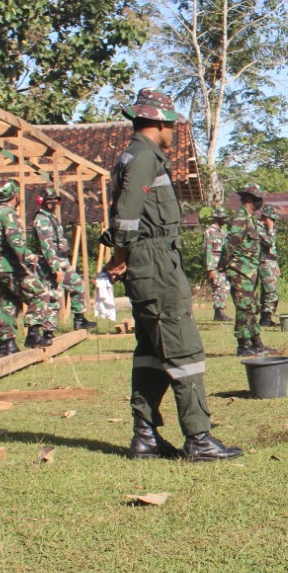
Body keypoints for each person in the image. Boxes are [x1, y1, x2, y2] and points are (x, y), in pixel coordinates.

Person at [103, 88, 241, 461]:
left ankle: (145, 438)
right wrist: (121, 257)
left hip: (149, 262)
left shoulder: (131, 155)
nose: (175, 130)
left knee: (151, 351)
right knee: (184, 350)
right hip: (155, 263)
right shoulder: (144, 157)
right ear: (161, 122)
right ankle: (198, 439)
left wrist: (123, 257)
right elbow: (127, 217)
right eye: (173, 124)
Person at [0, 178, 55, 354]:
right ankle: (33, 333)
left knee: (6, 301)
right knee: (39, 292)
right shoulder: (8, 214)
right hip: (9, 264)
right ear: (15, 194)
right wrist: (31, 257)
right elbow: (15, 242)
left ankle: (5, 344)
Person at [29, 188, 96, 331]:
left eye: (56, 200)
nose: (54, 203)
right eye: (50, 200)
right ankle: (48, 331)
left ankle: (79, 320)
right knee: (53, 297)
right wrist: (55, 269)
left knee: (77, 284)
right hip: (50, 264)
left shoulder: (51, 218)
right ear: (42, 201)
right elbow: (47, 247)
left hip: (60, 261)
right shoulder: (41, 220)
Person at [218, 183, 271, 357]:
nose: (260, 202)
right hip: (240, 270)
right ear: (249, 199)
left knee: (251, 307)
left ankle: (257, 343)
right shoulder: (240, 217)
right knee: (243, 308)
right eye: (257, 199)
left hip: (249, 270)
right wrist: (223, 265)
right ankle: (243, 345)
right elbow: (231, 243)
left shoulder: (250, 218)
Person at [203, 206, 231, 322]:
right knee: (217, 287)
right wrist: (211, 269)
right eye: (223, 217)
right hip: (213, 264)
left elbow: (226, 248)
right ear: (217, 218)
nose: (225, 219)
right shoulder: (209, 231)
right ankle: (218, 313)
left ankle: (221, 310)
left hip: (222, 264)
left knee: (225, 287)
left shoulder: (223, 232)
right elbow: (207, 250)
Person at [257, 204, 281, 328]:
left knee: (268, 291)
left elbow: (273, 249)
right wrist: (271, 229)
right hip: (263, 262)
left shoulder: (265, 228)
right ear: (267, 218)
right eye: (273, 219)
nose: (274, 222)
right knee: (270, 292)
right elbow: (270, 242)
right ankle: (266, 318)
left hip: (270, 262)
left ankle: (266, 318)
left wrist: (276, 264)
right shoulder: (258, 228)